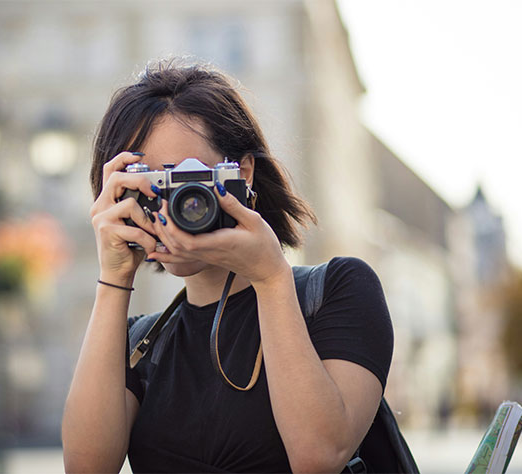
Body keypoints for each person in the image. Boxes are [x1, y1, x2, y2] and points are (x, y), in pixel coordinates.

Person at [62, 59, 394, 473]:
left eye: (186, 178)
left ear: (243, 173)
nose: (169, 203)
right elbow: (86, 468)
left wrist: (271, 278)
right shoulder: (139, 344)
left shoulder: (340, 290)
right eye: (146, 181)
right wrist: (113, 277)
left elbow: (318, 457)